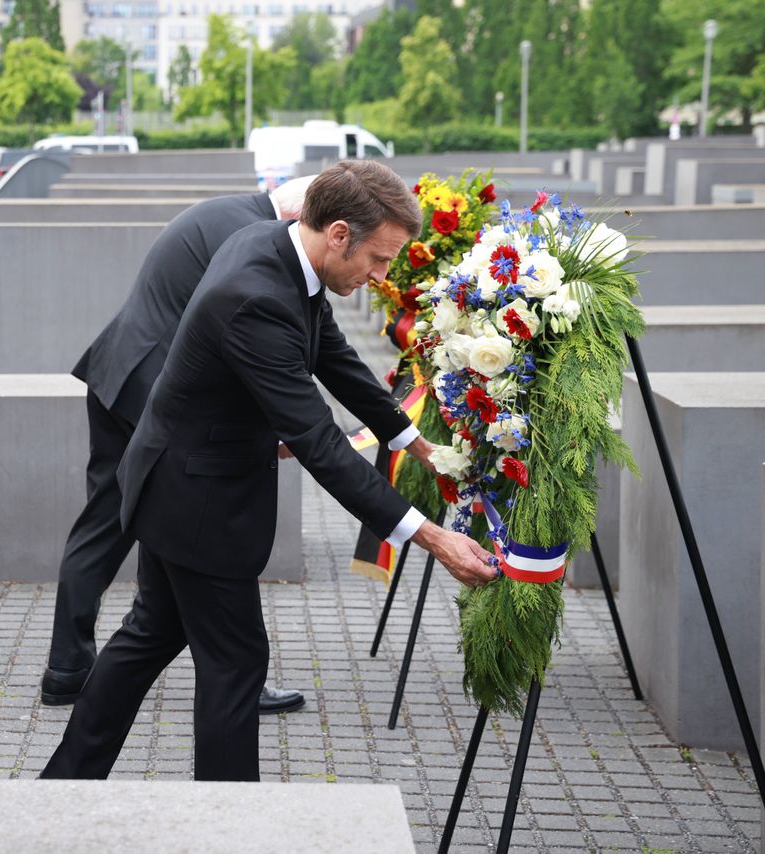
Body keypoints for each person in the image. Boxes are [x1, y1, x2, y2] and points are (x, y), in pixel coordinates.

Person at [41, 160, 498, 782]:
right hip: (197, 497)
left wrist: (411, 439)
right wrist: (433, 536)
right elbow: (318, 442)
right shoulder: (256, 294)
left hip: (179, 480)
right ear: (338, 233)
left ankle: (65, 783)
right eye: (379, 259)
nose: (381, 277)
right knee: (235, 665)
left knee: (149, 634)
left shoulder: (279, 249)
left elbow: (332, 354)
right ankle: (232, 821)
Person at [44, 180, 371, 717]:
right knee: (185, 541)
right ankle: (230, 668)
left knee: (107, 526)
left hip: (119, 371)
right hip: (155, 392)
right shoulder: (257, 237)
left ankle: (69, 669)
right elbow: (246, 344)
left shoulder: (231, 214)